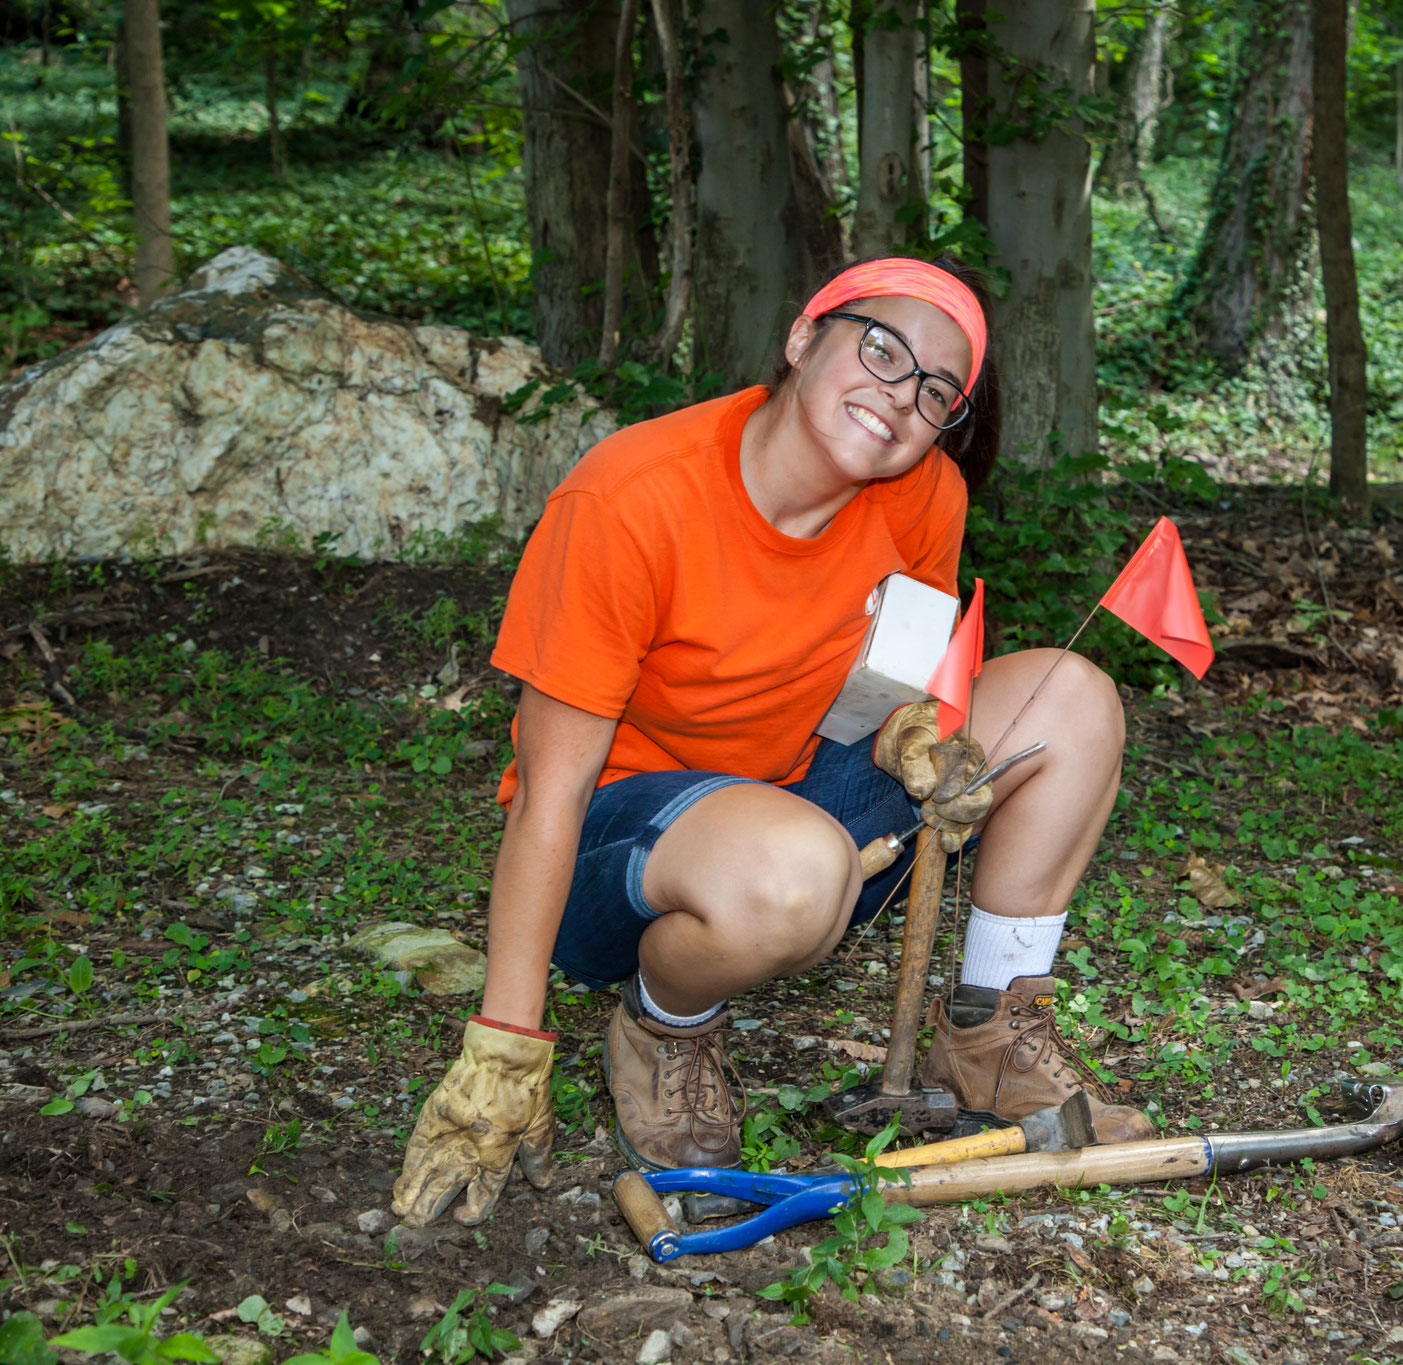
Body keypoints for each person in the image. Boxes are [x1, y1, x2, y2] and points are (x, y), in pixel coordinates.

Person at [390, 256, 1153, 1228]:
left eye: (934, 390)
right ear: (803, 338)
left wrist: (918, 737)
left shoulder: (922, 496)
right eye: (880, 349)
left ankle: (990, 1029)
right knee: (792, 868)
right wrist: (502, 1044)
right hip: (618, 852)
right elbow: (550, 794)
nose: (898, 398)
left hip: (797, 805)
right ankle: (667, 1025)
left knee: (1071, 699)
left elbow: (887, 690)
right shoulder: (630, 500)